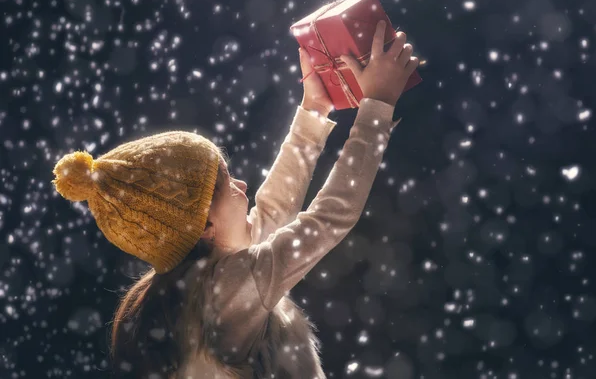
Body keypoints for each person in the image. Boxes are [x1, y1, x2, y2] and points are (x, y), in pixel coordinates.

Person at [51, 20, 419, 379]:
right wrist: (376, 108)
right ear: (206, 226)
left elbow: (273, 212)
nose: (242, 184)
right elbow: (328, 219)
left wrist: (313, 111)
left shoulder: (204, 280)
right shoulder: (226, 291)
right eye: (227, 184)